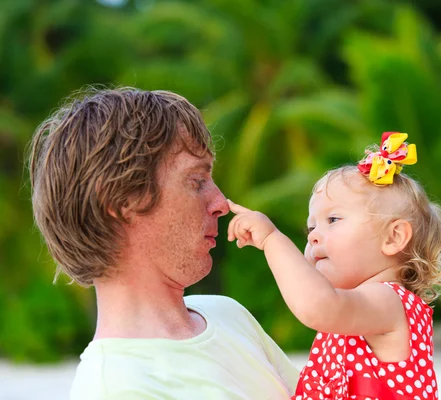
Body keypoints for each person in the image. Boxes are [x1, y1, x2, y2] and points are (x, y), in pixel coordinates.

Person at [28, 87, 299, 399]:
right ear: (122, 201)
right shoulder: (113, 390)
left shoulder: (228, 315)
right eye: (197, 182)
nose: (221, 203)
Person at [227, 132, 441, 400]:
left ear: (393, 238)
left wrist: (272, 240)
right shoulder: (354, 309)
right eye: (311, 226)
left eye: (333, 220)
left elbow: (317, 306)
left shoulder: (389, 302)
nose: (312, 235)